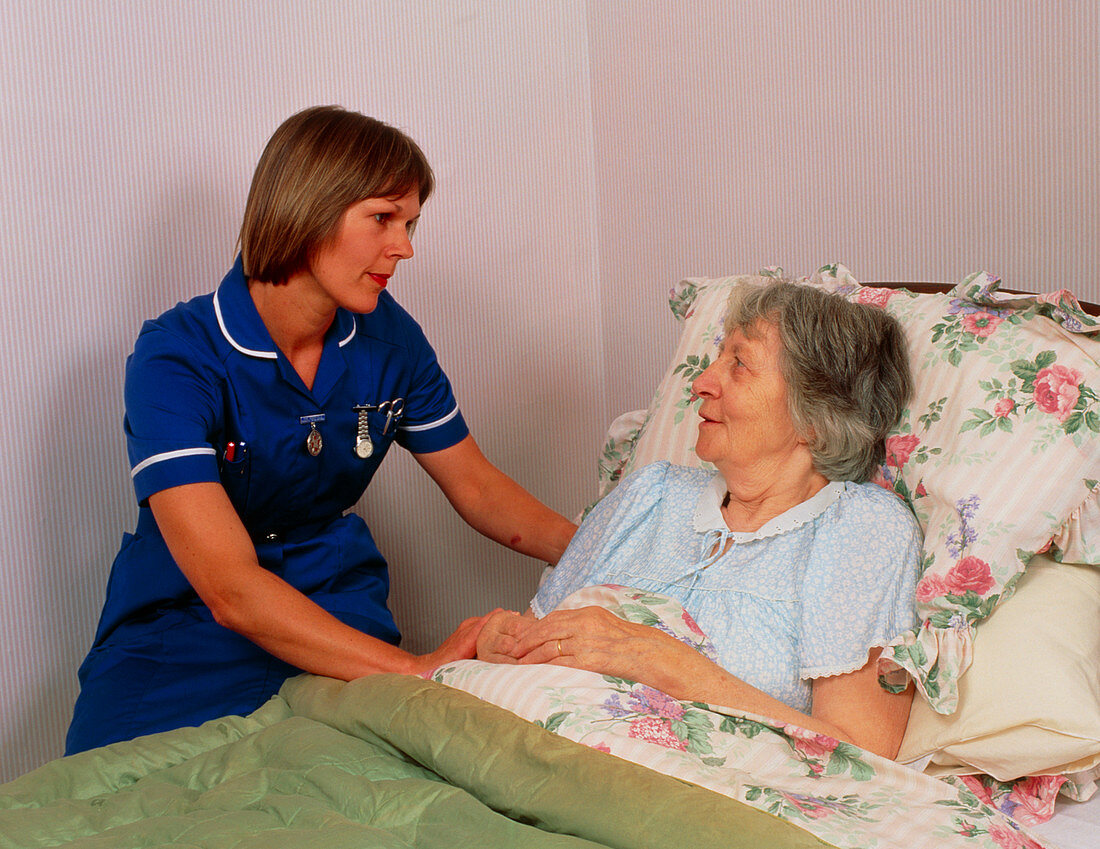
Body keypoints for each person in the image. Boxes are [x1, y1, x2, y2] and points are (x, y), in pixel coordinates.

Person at [66, 106, 576, 754]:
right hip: (186, 615)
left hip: (332, 600)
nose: (406, 246)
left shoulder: (392, 341)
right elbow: (230, 589)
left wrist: (608, 548)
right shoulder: (177, 355)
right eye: (384, 218)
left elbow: (476, 486)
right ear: (310, 206)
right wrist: (419, 670)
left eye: (412, 222)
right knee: (109, 798)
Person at [478, 280, 920, 759]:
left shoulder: (859, 530)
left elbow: (862, 756)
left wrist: (665, 663)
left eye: (740, 364)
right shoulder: (649, 494)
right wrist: (498, 643)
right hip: (514, 744)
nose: (701, 383)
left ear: (815, 417)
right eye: (716, 358)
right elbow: (531, 639)